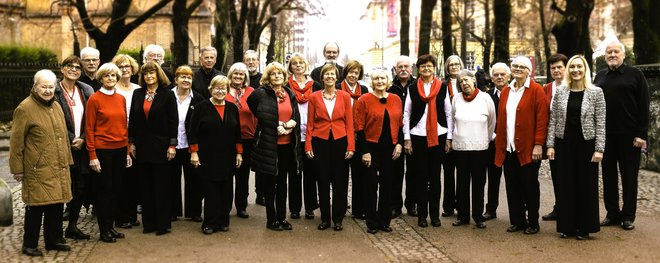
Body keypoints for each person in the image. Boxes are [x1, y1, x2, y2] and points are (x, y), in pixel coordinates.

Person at [10, 70, 73, 256]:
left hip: (57, 165)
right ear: (35, 86)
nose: (47, 90)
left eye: (51, 87)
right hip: (36, 168)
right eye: (43, 86)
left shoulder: (57, 106)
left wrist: (67, 160)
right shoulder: (24, 108)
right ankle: (29, 244)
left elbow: (63, 138)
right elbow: (16, 142)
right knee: (35, 207)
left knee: (56, 205)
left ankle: (53, 241)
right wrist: (17, 169)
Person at [546, 55, 605, 240]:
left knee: (585, 186)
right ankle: (567, 226)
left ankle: (584, 227)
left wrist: (599, 149)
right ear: (568, 70)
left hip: (587, 144)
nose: (575, 70)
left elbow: (601, 122)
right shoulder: (561, 92)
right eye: (572, 67)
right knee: (566, 185)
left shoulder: (596, 93)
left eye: (579, 66)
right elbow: (553, 120)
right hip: (564, 144)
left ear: (585, 69)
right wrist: (550, 145)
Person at [594, 40, 650, 231]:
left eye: (616, 51)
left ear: (623, 54)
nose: (612, 54)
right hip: (605, 136)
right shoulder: (600, 76)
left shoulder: (635, 74)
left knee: (629, 176)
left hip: (629, 136)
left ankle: (628, 216)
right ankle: (612, 213)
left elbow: (644, 105)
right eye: (608, 52)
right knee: (608, 176)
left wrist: (641, 134)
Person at [494, 56, 548, 235]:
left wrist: (539, 144)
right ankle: (517, 220)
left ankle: (533, 222)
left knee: (530, 186)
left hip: (528, 149)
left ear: (529, 71)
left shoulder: (536, 90)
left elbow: (542, 120)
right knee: (512, 185)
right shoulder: (506, 92)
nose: (517, 69)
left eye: (522, 67)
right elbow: (502, 120)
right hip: (509, 148)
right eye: (515, 66)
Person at [247, 62, 302, 231]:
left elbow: (296, 116)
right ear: (268, 77)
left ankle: (281, 217)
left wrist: (288, 124)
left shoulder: (289, 93)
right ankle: (271, 219)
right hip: (268, 145)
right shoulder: (261, 94)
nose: (277, 76)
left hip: (287, 146)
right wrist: (274, 123)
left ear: (284, 76)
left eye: (279, 73)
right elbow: (257, 111)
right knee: (270, 184)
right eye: (273, 74)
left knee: (283, 183)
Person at [188, 75, 243, 234]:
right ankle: (210, 223)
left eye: (223, 88)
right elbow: (192, 132)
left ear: (227, 90)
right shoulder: (201, 107)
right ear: (211, 89)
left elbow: (237, 132)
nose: (220, 91)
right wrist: (194, 153)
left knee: (226, 190)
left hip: (227, 155)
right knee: (211, 191)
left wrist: (239, 153)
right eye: (217, 88)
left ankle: (223, 221)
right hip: (207, 156)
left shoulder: (232, 108)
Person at [403, 54, 452, 228]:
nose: (426, 69)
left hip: (438, 136)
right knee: (421, 177)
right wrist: (407, 138)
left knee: (435, 177)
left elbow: (448, 113)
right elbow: (406, 114)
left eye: (429, 66)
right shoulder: (412, 88)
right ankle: (422, 216)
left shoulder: (442, 87)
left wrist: (449, 138)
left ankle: (435, 215)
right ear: (418, 69)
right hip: (417, 136)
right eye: (422, 66)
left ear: (434, 68)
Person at [86, 63, 133, 243]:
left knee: (116, 190)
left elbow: (124, 127)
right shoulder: (95, 99)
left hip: (120, 149)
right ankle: (103, 230)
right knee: (104, 192)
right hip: (103, 150)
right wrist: (92, 156)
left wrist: (127, 151)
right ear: (101, 78)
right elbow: (89, 129)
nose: (111, 79)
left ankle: (111, 227)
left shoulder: (121, 98)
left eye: (114, 76)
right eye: (107, 76)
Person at [129, 61, 178, 236]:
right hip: (141, 147)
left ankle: (163, 224)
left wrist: (172, 145)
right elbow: (132, 121)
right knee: (146, 187)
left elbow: (174, 121)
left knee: (161, 187)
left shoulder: (167, 95)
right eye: (146, 74)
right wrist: (131, 142)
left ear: (158, 75)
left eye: (152, 73)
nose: (149, 76)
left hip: (162, 147)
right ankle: (148, 224)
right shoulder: (137, 93)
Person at [305, 63, 354, 231]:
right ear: (322, 78)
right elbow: (310, 123)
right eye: (327, 75)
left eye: (333, 74)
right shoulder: (314, 97)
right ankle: (325, 218)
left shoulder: (345, 96)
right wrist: (308, 145)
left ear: (337, 77)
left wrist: (351, 146)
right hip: (320, 141)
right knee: (323, 180)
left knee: (340, 181)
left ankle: (338, 218)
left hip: (341, 140)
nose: (330, 77)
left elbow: (349, 122)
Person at [354, 69, 403, 234]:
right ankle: (372, 222)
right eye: (376, 79)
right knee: (370, 185)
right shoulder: (364, 99)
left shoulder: (396, 99)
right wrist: (364, 152)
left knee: (388, 185)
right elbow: (359, 128)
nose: (380, 81)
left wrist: (399, 144)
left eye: (382, 78)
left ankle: (384, 220)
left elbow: (401, 124)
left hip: (391, 149)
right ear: (372, 82)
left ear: (387, 80)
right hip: (371, 148)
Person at [55, 56, 94, 240]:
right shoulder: (54, 91)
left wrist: (84, 139)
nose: (74, 69)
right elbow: (53, 120)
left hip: (82, 147)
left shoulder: (86, 90)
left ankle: (72, 225)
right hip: (62, 146)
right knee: (61, 187)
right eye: (69, 66)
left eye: (78, 67)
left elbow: (93, 119)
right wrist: (72, 138)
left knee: (80, 187)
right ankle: (54, 229)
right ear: (62, 69)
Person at [450, 69, 496, 229]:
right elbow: (451, 119)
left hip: (480, 148)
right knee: (462, 183)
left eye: (466, 80)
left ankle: (478, 216)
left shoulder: (485, 98)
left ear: (474, 81)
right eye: (460, 81)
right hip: (460, 148)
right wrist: (451, 139)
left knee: (478, 183)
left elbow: (492, 122)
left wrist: (485, 138)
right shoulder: (455, 98)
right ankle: (463, 216)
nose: (464, 83)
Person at [287, 53, 322, 219]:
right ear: (290, 67)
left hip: (312, 133)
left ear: (305, 65)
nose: (298, 65)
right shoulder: (286, 85)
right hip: (292, 135)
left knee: (311, 173)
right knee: (294, 173)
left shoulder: (315, 85)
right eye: (295, 63)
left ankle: (310, 207)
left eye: (301, 63)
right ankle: (294, 208)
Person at [111, 54, 143, 229]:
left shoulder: (138, 89)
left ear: (133, 69)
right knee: (121, 179)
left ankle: (131, 214)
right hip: (118, 137)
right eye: (121, 67)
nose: (124, 70)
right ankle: (121, 215)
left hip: (135, 138)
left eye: (127, 66)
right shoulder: (113, 89)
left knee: (133, 179)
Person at [170, 66, 204, 222]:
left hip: (191, 146)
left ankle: (194, 211)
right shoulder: (167, 96)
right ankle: (173, 211)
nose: (186, 80)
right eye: (182, 77)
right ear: (176, 79)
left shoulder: (198, 99)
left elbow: (200, 125)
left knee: (194, 179)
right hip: (171, 145)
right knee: (172, 179)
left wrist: (196, 148)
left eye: (189, 77)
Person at [225, 62, 257, 219]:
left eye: (241, 74)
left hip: (247, 139)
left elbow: (258, 113)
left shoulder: (251, 92)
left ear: (246, 77)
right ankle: (225, 205)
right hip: (227, 140)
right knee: (226, 173)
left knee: (243, 175)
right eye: (235, 73)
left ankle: (241, 206)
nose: (238, 76)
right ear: (230, 75)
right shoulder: (223, 90)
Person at [339, 60, 370, 220]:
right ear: (345, 73)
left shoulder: (364, 90)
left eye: (356, 72)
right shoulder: (338, 88)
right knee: (341, 174)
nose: (353, 75)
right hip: (342, 136)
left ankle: (359, 209)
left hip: (359, 136)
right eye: (350, 72)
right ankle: (341, 207)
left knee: (360, 175)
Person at [388, 55, 417, 218]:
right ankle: (395, 205)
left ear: (411, 68)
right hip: (395, 135)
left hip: (414, 134)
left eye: (406, 66)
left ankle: (411, 204)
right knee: (395, 172)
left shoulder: (417, 86)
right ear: (396, 69)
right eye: (400, 67)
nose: (403, 69)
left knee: (413, 172)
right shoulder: (390, 87)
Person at [541, 53, 568, 221]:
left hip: (569, 138)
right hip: (553, 139)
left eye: (559, 67)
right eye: (553, 68)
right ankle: (559, 207)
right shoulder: (547, 88)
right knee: (556, 174)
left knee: (569, 174)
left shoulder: (572, 85)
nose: (556, 70)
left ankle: (569, 208)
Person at [483, 62, 510, 220]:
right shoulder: (486, 97)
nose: (499, 77)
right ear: (491, 78)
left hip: (513, 143)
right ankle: (491, 209)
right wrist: (493, 135)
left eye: (502, 74)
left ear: (508, 76)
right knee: (493, 177)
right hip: (493, 143)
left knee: (513, 178)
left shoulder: (514, 93)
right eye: (496, 75)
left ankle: (519, 210)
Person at [441, 54, 464, 217]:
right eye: (451, 65)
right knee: (448, 172)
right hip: (448, 133)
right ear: (447, 68)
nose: (454, 67)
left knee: (462, 171)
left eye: (457, 64)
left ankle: (462, 205)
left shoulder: (467, 82)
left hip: (465, 133)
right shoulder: (443, 86)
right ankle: (448, 206)